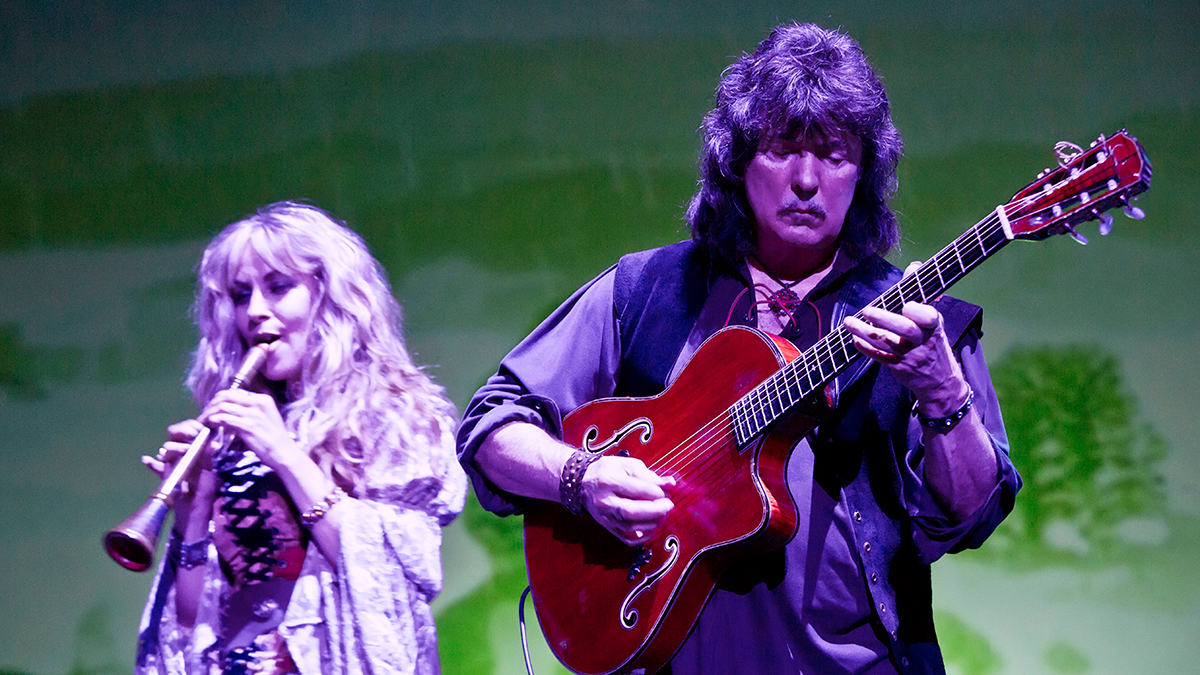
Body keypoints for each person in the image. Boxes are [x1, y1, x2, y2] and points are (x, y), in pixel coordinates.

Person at [457, 22, 1020, 675]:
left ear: (864, 174)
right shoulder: (644, 290)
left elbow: (972, 514)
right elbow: (491, 426)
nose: (806, 180)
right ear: (735, 160)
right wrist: (581, 478)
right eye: (782, 149)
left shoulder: (920, 326)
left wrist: (943, 392)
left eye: (835, 155)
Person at [135, 202, 466, 675]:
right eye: (240, 295)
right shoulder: (234, 434)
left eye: (278, 287)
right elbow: (189, 622)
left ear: (328, 294)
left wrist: (285, 455)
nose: (255, 312)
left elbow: (397, 576)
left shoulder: (395, 413)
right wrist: (194, 508)